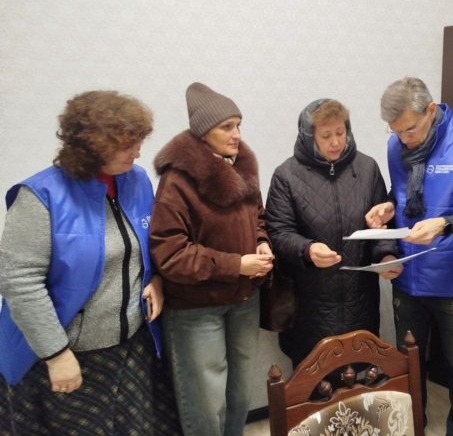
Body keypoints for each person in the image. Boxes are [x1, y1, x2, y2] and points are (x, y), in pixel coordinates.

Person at [0, 90, 182, 435]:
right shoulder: (40, 196)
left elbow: (151, 244)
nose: (138, 151)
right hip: (66, 354)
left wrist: (156, 279)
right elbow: (18, 282)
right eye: (127, 144)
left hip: (130, 347)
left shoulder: (137, 180)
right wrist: (56, 354)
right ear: (92, 146)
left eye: (139, 141)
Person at [366, 77, 453, 435]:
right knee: (409, 363)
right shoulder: (397, 145)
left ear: (431, 110)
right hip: (407, 275)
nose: (403, 139)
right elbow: (403, 192)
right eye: (395, 131)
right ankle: (414, 426)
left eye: (409, 129)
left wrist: (445, 224)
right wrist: (387, 205)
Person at [149, 82, 273, 436]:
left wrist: (262, 242)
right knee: (205, 403)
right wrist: (236, 265)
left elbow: (258, 217)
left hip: (244, 300)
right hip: (196, 308)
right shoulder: (177, 180)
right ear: (203, 133)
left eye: (238, 125)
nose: (237, 135)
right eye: (226, 127)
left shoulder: (243, 165)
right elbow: (170, 253)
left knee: (239, 395)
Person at [265, 99, 399, 370]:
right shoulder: (286, 176)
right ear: (309, 136)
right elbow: (278, 232)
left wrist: (386, 255)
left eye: (341, 132)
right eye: (326, 135)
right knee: (313, 380)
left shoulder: (367, 169)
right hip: (309, 303)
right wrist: (307, 249)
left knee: (359, 378)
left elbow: (380, 224)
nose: (336, 142)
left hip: (360, 299)